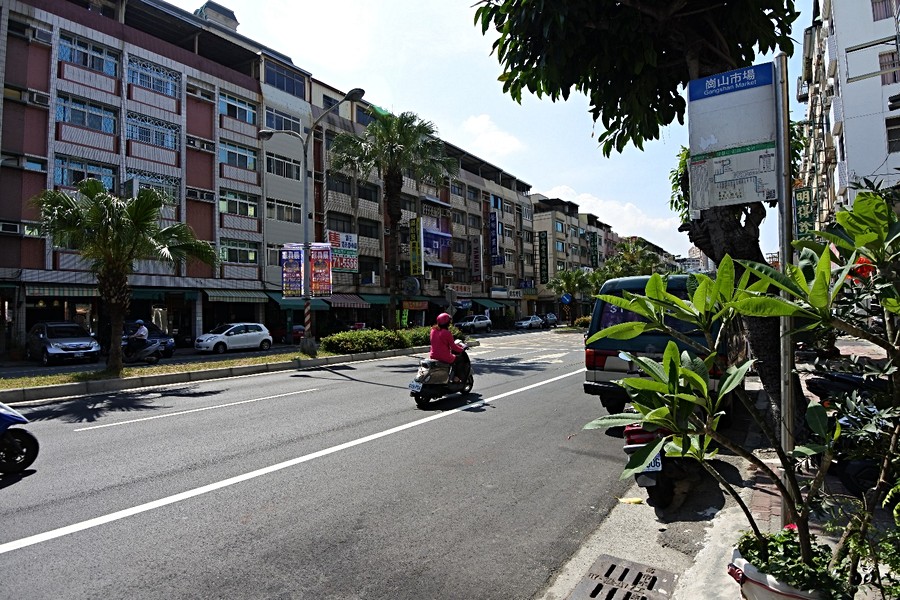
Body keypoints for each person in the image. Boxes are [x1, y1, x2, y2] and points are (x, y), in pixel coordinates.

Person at [429, 312, 467, 383]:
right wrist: (462, 349)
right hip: (444, 357)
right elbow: (453, 347)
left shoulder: (433, 330)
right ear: (447, 323)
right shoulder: (447, 333)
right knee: (460, 360)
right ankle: (456, 377)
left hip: (433, 355)